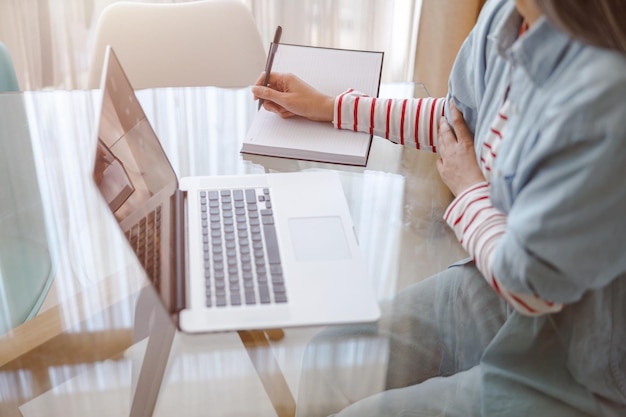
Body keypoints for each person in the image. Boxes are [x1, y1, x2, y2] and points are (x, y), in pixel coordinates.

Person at [253, 0, 626, 416]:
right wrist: (328, 107)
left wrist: (468, 188)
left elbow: (532, 287)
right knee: (330, 356)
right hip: (491, 289)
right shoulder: (506, 17)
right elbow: (454, 125)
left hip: (575, 364)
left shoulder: (605, 95)